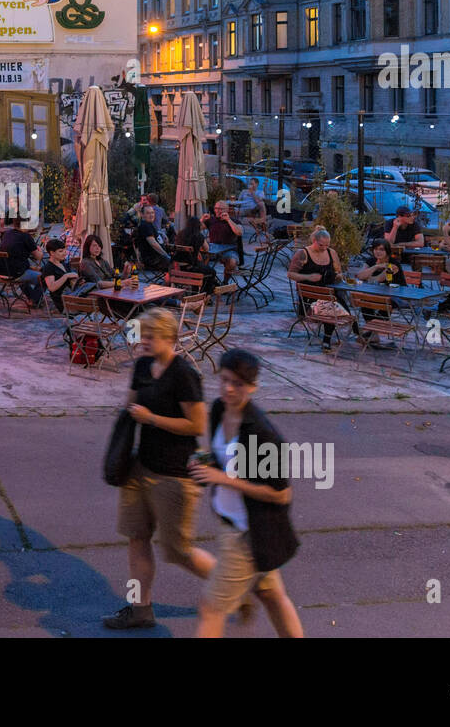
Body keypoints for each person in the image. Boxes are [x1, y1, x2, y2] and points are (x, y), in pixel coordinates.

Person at [103, 308, 217, 630]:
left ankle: (237, 587)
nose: (143, 341)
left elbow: (197, 425)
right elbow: (131, 404)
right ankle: (140, 608)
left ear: (170, 338)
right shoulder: (141, 365)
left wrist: (151, 418)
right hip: (140, 466)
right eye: (142, 335)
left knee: (178, 551)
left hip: (175, 473)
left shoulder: (184, 374)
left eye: (151, 336)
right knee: (136, 537)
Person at [189, 349, 303, 638]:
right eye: (225, 379)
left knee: (211, 608)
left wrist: (224, 479)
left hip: (250, 534)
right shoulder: (218, 409)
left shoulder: (261, 433)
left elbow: (281, 495)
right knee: (272, 597)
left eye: (238, 384)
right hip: (234, 526)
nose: (228, 388)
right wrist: (203, 463)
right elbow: (219, 457)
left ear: (252, 386)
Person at [288, 228, 347, 351]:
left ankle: (360, 335)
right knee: (330, 307)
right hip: (309, 296)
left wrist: (338, 276)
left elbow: (338, 272)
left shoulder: (331, 253)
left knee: (342, 307)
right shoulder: (303, 253)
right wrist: (308, 277)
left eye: (327, 245)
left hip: (328, 292)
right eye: (321, 245)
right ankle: (327, 340)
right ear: (314, 241)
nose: (324, 248)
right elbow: (291, 274)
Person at [0, 217, 44, 307]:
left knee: (25, 271)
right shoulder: (25, 236)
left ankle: (31, 298)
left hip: (1, 272)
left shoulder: (6, 234)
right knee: (45, 278)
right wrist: (40, 250)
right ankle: (34, 300)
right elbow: (38, 257)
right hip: (16, 274)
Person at [202, 200, 244, 281]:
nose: (218, 210)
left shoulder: (234, 221)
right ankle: (207, 280)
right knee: (200, 257)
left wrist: (228, 220)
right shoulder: (211, 220)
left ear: (227, 210)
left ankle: (225, 282)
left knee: (232, 263)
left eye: (221, 209)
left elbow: (239, 232)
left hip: (229, 248)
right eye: (216, 208)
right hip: (213, 248)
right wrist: (202, 219)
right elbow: (196, 228)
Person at [40, 238, 81, 311]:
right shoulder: (48, 267)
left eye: (65, 250)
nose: (65, 253)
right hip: (65, 302)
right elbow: (52, 288)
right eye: (61, 251)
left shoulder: (64, 264)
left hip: (73, 295)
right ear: (52, 253)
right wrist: (66, 276)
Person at [134, 205, 171, 272]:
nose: (151, 215)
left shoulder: (148, 224)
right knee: (179, 262)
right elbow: (153, 243)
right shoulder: (145, 225)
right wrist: (166, 255)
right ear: (142, 215)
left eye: (152, 212)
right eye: (148, 213)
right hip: (154, 260)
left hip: (156, 258)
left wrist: (161, 233)